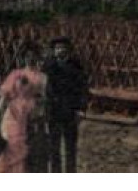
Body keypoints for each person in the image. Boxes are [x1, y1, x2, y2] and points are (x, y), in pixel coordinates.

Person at [0, 44, 47, 174]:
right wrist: (0, 106)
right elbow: (6, 93)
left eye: (33, 56)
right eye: (27, 56)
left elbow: (44, 97)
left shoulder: (42, 77)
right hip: (13, 112)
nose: (30, 59)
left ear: (37, 57)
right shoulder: (16, 74)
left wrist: (40, 110)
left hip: (31, 112)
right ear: (23, 58)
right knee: (11, 142)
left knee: (25, 145)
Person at [43, 35, 91, 172]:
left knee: (70, 146)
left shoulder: (76, 66)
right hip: (53, 112)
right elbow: (43, 89)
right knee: (54, 147)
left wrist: (81, 109)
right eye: (57, 48)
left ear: (68, 50)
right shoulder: (48, 66)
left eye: (63, 48)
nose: (60, 50)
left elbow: (83, 89)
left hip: (71, 111)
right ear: (53, 50)